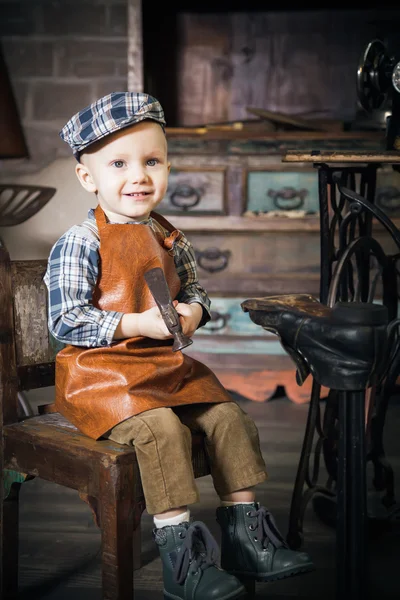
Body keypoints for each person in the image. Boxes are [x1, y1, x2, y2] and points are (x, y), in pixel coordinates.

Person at [44, 92, 314, 600]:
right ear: (88, 177)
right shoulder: (81, 242)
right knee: (161, 428)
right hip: (102, 376)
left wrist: (195, 310)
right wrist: (134, 324)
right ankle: (183, 559)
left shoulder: (169, 236)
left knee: (228, 416)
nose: (139, 176)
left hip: (161, 370)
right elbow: (65, 320)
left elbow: (195, 291)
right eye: (119, 164)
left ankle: (247, 539)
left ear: (167, 167)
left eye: (152, 161)